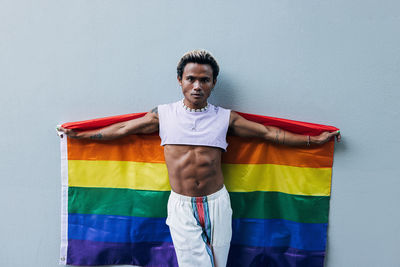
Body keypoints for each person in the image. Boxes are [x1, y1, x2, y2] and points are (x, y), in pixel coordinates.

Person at [58, 49, 341, 267]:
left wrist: (312, 140)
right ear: (180, 80)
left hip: (218, 202)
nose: (197, 85)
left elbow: (269, 134)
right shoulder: (163, 115)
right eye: (191, 78)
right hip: (181, 205)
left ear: (213, 83)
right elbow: (121, 130)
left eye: (204, 80)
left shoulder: (224, 118)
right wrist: (82, 136)